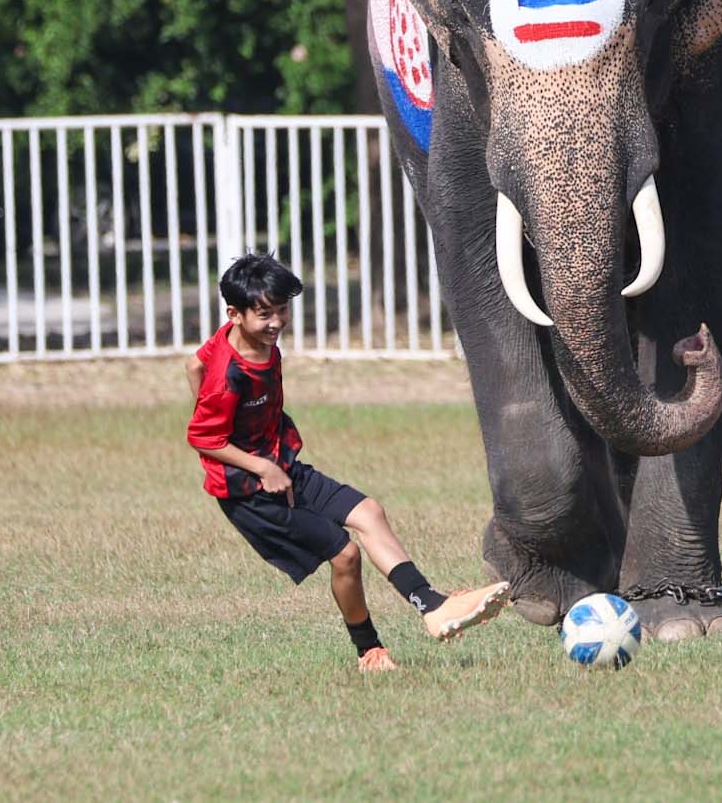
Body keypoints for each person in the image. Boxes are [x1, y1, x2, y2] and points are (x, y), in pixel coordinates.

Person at [188, 254, 509, 672]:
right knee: (346, 555)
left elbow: (193, 362)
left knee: (369, 511)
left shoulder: (243, 341)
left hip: (281, 464)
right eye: (264, 314)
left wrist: (268, 459)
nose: (276, 322)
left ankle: (432, 606)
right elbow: (202, 436)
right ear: (235, 313)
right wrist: (259, 466)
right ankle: (369, 652)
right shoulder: (228, 376)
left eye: (282, 310)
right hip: (249, 491)